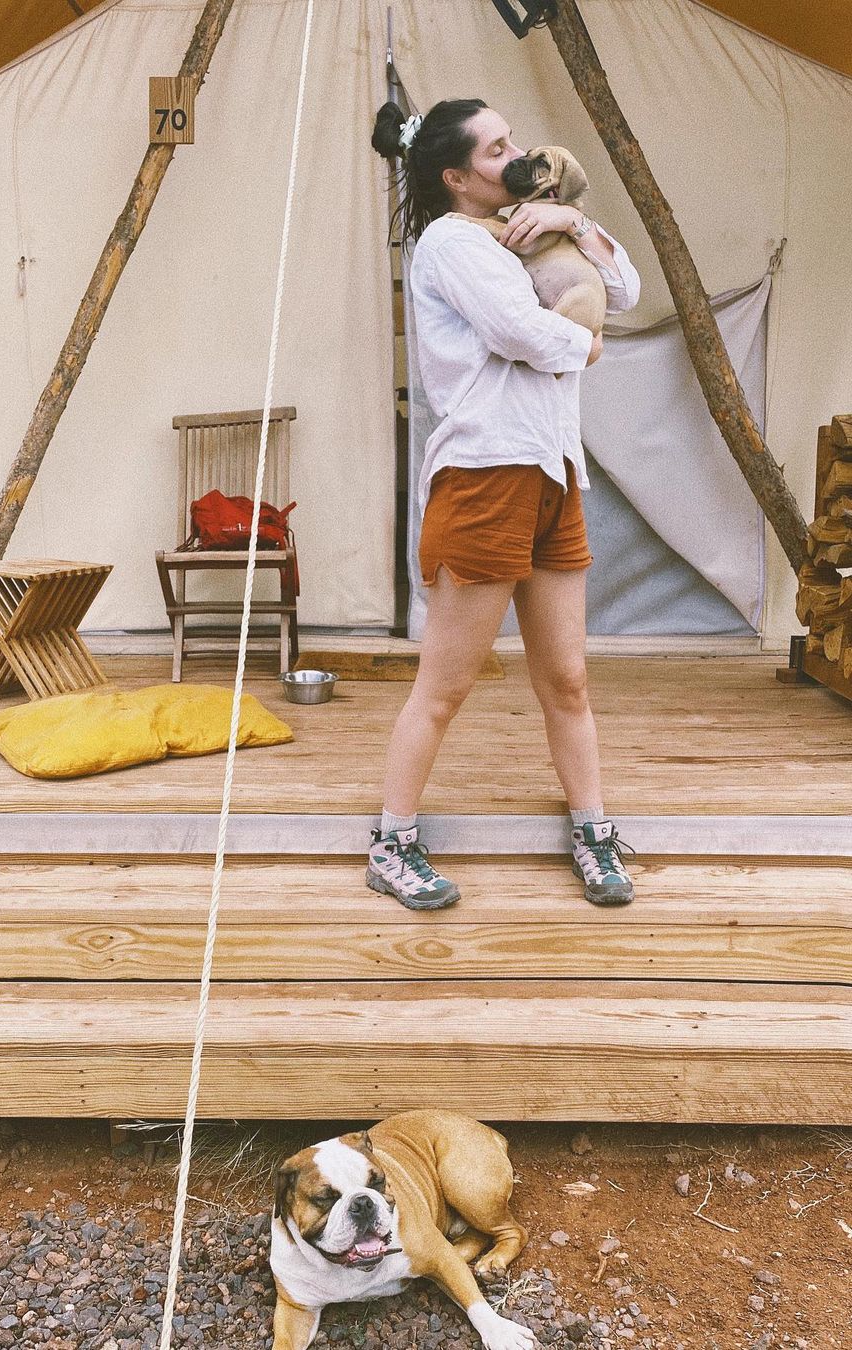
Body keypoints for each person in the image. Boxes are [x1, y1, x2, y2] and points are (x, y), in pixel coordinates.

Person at [367, 98, 642, 910]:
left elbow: (619, 288)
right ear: (456, 177)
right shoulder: (451, 243)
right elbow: (523, 330)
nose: (516, 155)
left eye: (514, 140)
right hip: (486, 474)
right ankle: (392, 840)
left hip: (553, 470)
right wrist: (585, 346)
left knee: (568, 679)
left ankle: (592, 830)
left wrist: (571, 219)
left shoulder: (527, 224)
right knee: (445, 686)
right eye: (496, 150)